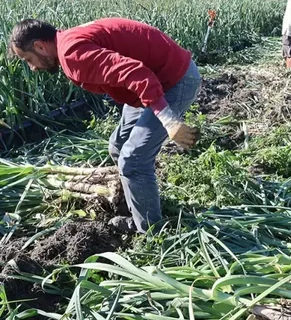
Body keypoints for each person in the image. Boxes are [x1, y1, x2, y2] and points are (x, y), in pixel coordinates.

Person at [7, 18, 201, 234]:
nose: (32, 68)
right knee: (117, 146)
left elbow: (137, 74)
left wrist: (168, 120)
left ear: (39, 46)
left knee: (133, 160)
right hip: (149, 83)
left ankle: (152, 233)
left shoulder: (71, 54)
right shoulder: (67, 42)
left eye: (28, 59)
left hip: (172, 80)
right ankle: (139, 207)